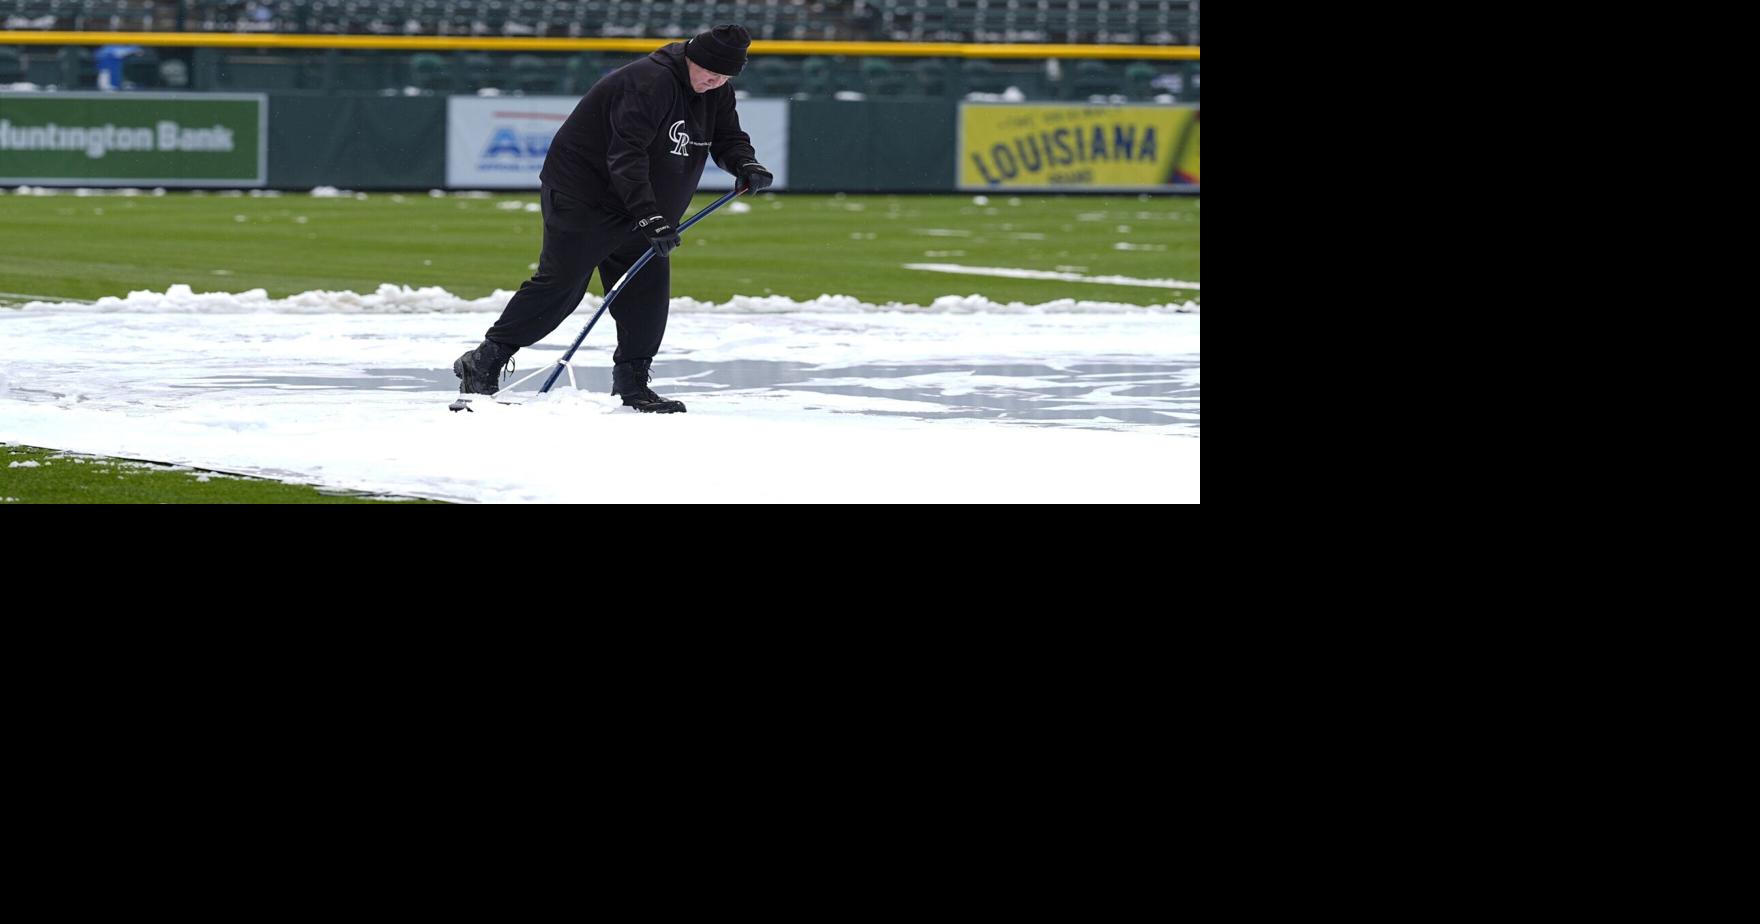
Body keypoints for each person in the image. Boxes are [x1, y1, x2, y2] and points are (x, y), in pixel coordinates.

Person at [453, 24, 774, 413]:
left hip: (642, 203)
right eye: (711, 73)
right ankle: (485, 360)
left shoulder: (716, 89)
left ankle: (633, 384)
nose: (716, 81)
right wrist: (649, 216)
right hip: (586, 195)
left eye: (725, 76)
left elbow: (728, 138)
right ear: (692, 58)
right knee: (562, 284)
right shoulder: (648, 83)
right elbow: (625, 155)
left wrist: (745, 162)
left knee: (647, 293)